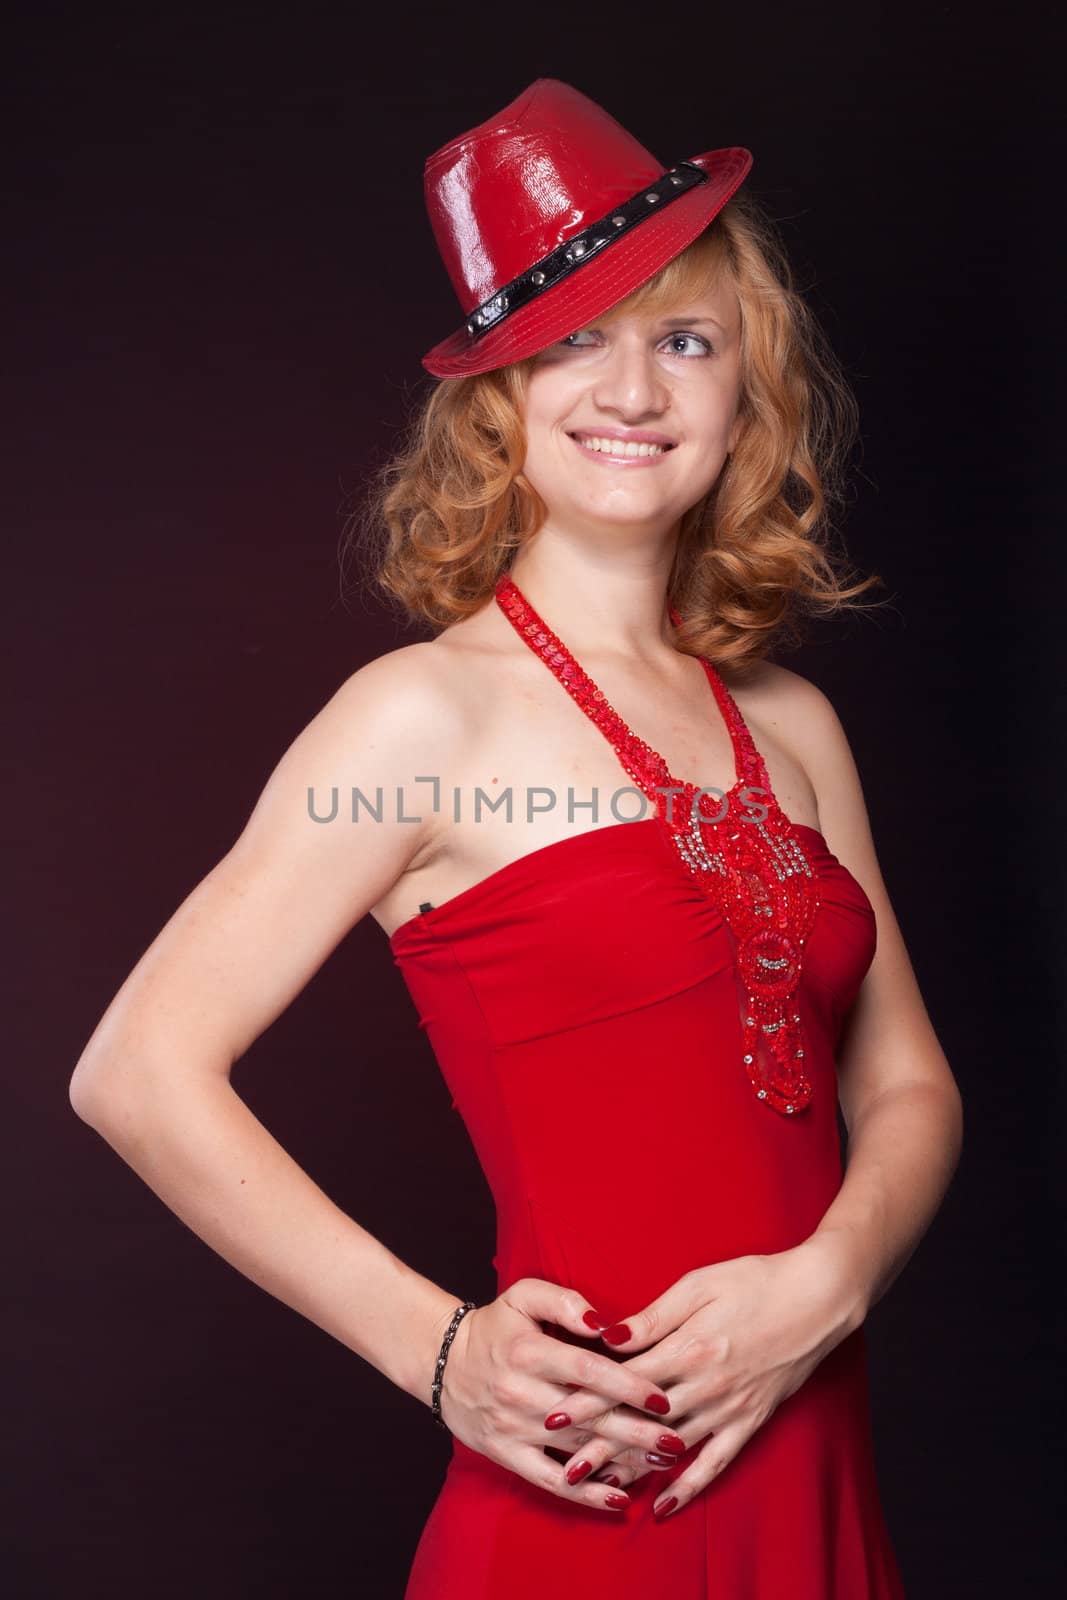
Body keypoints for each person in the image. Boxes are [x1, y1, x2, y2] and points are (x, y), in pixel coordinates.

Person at [70, 78, 962, 1598]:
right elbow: (135, 1072)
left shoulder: (794, 721)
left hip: (816, 1475)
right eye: (576, 342)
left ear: (749, 391)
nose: (634, 392)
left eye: (685, 341)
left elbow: (907, 1082)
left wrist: (829, 1283)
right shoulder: (417, 721)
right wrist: (438, 1354)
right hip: (597, 1502)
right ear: (500, 400)